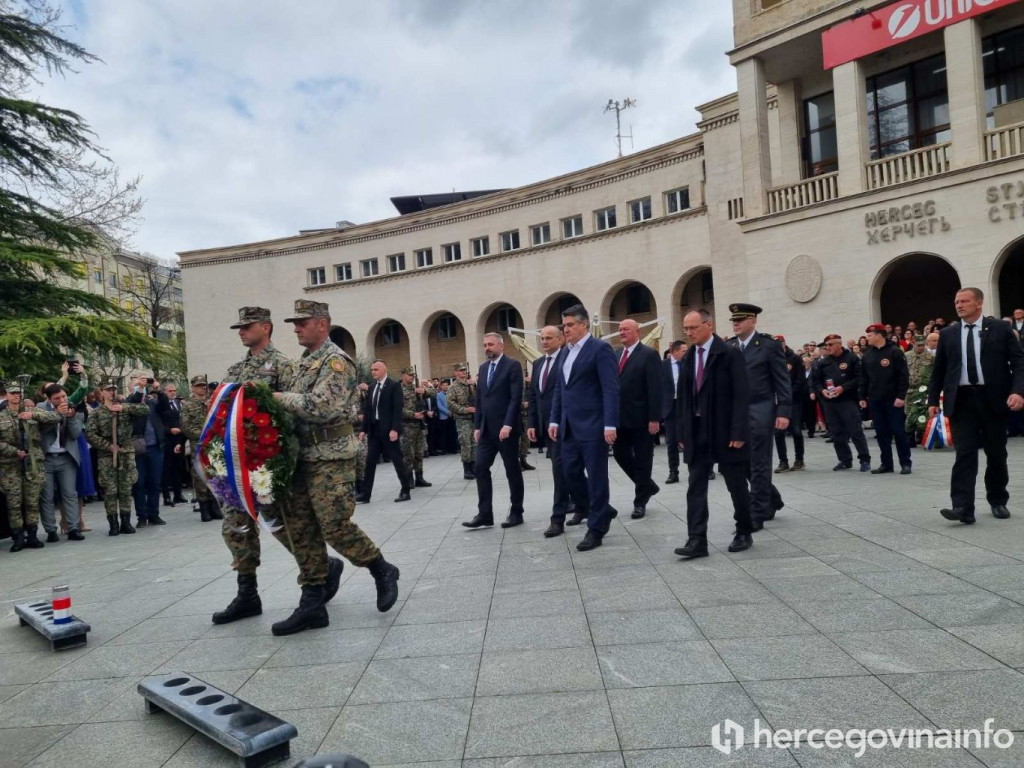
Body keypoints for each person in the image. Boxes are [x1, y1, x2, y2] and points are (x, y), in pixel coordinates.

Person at [269, 300, 399, 636]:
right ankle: (312, 600)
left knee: (333, 524)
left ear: (322, 324)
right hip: (300, 456)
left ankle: (380, 568)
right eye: (294, 322)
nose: (296, 328)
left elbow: (322, 407)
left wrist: (277, 398)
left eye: (302, 322)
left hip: (330, 454)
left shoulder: (336, 362)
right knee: (301, 528)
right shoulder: (302, 364)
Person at [217, 305, 344, 626]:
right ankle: (247, 594)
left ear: (265, 327)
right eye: (239, 327)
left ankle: (322, 568)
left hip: (269, 462)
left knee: (284, 525)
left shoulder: (286, 367)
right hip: (238, 461)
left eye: (247, 326)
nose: (241, 331)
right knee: (235, 525)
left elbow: (293, 414)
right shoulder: (234, 370)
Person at [929, 287, 1024, 524]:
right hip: (961, 401)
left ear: (979, 303)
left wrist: (1018, 391)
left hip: (992, 398)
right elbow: (939, 370)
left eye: (964, 301)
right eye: (956, 301)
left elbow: (1019, 362)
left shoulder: (1000, 329)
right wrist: (932, 400)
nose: (959, 305)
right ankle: (962, 506)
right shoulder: (949, 334)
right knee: (965, 453)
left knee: (996, 452)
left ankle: (997, 499)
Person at [673, 309, 753, 558]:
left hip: (725, 430)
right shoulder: (688, 357)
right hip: (697, 431)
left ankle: (744, 530)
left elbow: (741, 395)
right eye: (686, 328)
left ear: (709, 325)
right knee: (695, 486)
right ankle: (697, 540)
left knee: (736, 484)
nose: (688, 333)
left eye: (693, 328)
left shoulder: (728, 353)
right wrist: (683, 431)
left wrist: (739, 431)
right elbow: (684, 398)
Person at [548, 304, 619, 552]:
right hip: (568, 427)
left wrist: (610, 423)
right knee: (569, 474)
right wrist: (554, 419)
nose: (565, 329)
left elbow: (610, 388)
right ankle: (603, 509)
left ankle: (596, 527)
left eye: (570, 325)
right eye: (564, 325)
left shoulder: (600, 349)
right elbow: (560, 388)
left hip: (593, 426)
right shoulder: (566, 352)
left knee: (597, 477)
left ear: (584, 324)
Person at [728, 303, 790, 530]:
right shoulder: (730, 346)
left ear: (753, 321)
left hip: (760, 409)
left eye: (741, 320)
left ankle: (758, 512)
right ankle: (772, 498)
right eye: (733, 321)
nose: (736, 324)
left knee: (759, 463)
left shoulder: (768, 346)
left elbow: (782, 380)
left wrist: (783, 410)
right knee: (740, 463)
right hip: (736, 414)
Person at [529, 325, 590, 537]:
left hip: (569, 425)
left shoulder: (567, 358)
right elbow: (535, 397)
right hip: (549, 428)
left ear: (560, 339)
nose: (544, 342)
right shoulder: (537, 364)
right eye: (542, 338)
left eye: (548, 338)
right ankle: (587, 506)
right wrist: (531, 424)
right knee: (568, 470)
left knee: (561, 471)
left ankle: (558, 518)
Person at [462, 332, 526, 529]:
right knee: (480, 468)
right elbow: (480, 400)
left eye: (490, 344)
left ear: (501, 346)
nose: (487, 348)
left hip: (506, 429)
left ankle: (516, 512)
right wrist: (477, 426)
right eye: (484, 345)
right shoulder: (483, 368)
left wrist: (508, 424)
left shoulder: (512, 366)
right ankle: (485, 514)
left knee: (511, 469)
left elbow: (516, 398)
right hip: (487, 432)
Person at [612, 319, 663, 519]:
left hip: (642, 419)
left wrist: (654, 418)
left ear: (637, 331)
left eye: (626, 329)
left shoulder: (649, 354)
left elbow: (655, 388)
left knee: (643, 461)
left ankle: (640, 501)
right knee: (619, 454)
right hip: (620, 418)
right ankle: (648, 485)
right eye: (620, 330)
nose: (621, 332)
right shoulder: (616, 354)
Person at [85, 382, 150, 536]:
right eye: (108, 390)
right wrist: (108, 446)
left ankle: (126, 521)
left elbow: (145, 409)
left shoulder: (124, 408)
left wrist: (124, 408)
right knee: (110, 491)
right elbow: (90, 435)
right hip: (107, 456)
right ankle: (113, 523)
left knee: (126, 489)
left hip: (126, 453)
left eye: (114, 390)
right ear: (101, 392)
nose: (111, 393)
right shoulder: (97, 413)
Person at [0, 380, 54, 551]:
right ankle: (18, 537)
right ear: (6, 394)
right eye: (13, 393)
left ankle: (32, 535)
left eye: (18, 393)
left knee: (32, 501)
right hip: (10, 466)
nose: (16, 395)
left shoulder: (31, 410)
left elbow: (55, 417)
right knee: (14, 503)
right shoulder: (1, 416)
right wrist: (13, 451)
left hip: (32, 464)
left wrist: (34, 416)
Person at [811, 334, 872, 471]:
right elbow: (816, 381)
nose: (828, 348)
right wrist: (822, 391)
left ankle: (864, 459)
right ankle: (845, 460)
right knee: (836, 432)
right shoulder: (824, 362)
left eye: (831, 345)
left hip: (848, 400)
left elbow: (859, 378)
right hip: (830, 402)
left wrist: (843, 388)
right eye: (826, 345)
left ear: (839, 344)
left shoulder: (851, 358)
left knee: (855, 431)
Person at [357, 359, 413, 504]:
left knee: (397, 460)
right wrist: (364, 429)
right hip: (374, 431)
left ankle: (405, 490)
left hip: (389, 431)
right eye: (372, 370)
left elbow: (397, 409)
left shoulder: (394, 386)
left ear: (384, 370)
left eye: (375, 369)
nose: (373, 372)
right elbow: (368, 410)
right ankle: (365, 494)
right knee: (369, 462)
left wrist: (394, 429)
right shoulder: (371, 387)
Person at [860, 323, 912, 475]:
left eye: (870, 335)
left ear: (878, 335)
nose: (867, 338)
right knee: (882, 432)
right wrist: (862, 396)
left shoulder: (894, 351)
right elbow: (864, 378)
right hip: (875, 399)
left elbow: (903, 376)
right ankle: (886, 464)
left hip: (893, 399)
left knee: (898, 431)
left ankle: (905, 462)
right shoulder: (868, 355)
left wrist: (901, 396)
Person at [37, 383, 86, 541]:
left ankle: (73, 528)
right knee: (47, 495)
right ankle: (51, 530)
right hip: (46, 457)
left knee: (70, 494)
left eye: (64, 396)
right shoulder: (41, 407)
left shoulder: (74, 407)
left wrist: (71, 418)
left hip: (66, 457)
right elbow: (40, 430)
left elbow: (75, 434)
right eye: (57, 398)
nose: (62, 400)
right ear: (49, 398)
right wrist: (56, 415)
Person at [178, 374, 223, 522]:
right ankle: (204, 507)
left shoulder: (212, 402)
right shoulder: (188, 405)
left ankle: (215, 506)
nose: (202, 388)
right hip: (198, 444)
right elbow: (185, 426)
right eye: (198, 386)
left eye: (204, 385)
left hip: (214, 444)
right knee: (200, 475)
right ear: (192, 388)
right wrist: (204, 434)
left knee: (215, 473)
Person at [127, 377, 171, 526]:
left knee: (154, 483)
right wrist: (139, 390)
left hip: (155, 448)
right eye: (137, 385)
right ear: (130, 389)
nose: (141, 386)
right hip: (138, 449)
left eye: (142, 385)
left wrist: (158, 390)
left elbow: (165, 407)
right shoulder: (128, 403)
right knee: (139, 484)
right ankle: (142, 516)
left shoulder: (152, 402)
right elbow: (134, 402)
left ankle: (154, 514)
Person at [773, 335, 806, 473]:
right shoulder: (772, 358)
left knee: (796, 430)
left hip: (794, 400)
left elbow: (800, 379)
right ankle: (783, 461)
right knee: (778, 432)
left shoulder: (795, 358)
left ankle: (799, 460)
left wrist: (788, 393)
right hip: (778, 401)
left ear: (784, 344)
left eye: (779, 344)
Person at [399, 367, 432, 489]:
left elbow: (433, 393)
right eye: (409, 375)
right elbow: (397, 409)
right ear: (403, 375)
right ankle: (409, 479)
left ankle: (419, 477)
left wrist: (424, 391)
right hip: (406, 426)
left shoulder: (416, 388)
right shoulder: (398, 390)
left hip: (419, 425)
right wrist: (412, 414)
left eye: (413, 375)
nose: (412, 377)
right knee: (408, 454)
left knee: (419, 453)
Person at [662, 340, 687, 484]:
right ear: (674, 352)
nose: (686, 353)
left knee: (692, 438)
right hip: (670, 407)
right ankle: (673, 472)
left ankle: (702, 470)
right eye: (683, 351)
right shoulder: (663, 365)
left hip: (686, 406)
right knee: (671, 442)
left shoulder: (689, 362)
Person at [160, 382, 187, 507]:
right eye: (170, 391)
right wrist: (169, 430)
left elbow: (181, 420)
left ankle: (178, 494)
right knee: (167, 469)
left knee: (178, 468)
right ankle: (166, 496)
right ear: (165, 392)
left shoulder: (177, 403)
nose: (173, 392)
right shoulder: (160, 404)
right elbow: (159, 424)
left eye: (174, 390)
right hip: (167, 440)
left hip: (178, 439)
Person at [448, 364, 477, 478]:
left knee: (474, 443)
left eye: (464, 370)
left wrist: (474, 385)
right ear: (456, 373)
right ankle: (467, 469)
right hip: (462, 419)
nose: (463, 372)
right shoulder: (453, 387)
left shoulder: (471, 385)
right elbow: (450, 404)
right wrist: (465, 410)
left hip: (474, 418)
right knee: (465, 444)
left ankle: (474, 466)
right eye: (461, 371)